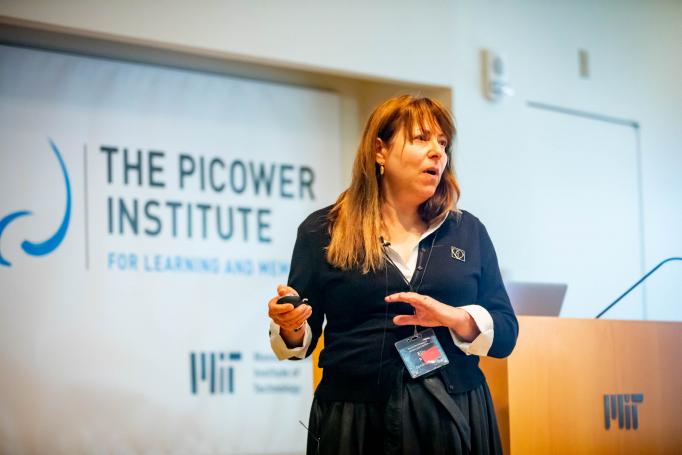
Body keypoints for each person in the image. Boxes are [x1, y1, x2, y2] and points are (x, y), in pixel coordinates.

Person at [267, 95, 518, 455]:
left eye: (443, 143)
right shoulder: (322, 230)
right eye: (421, 139)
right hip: (356, 420)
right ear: (379, 151)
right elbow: (298, 341)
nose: (438, 153)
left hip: (455, 414)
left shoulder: (467, 231)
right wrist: (291, 325)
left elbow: (506, 333)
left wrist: (454, 318)